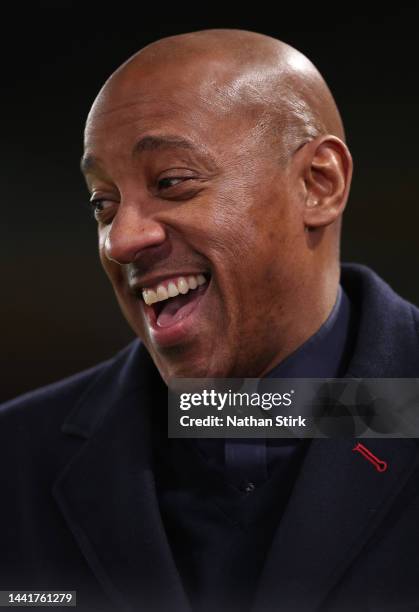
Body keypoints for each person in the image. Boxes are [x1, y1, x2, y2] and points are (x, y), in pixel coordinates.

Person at [1, 28, 419, 612]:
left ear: (318, 184)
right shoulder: (14, 461)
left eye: (171, 182)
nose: (120, 240)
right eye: (103, 203)